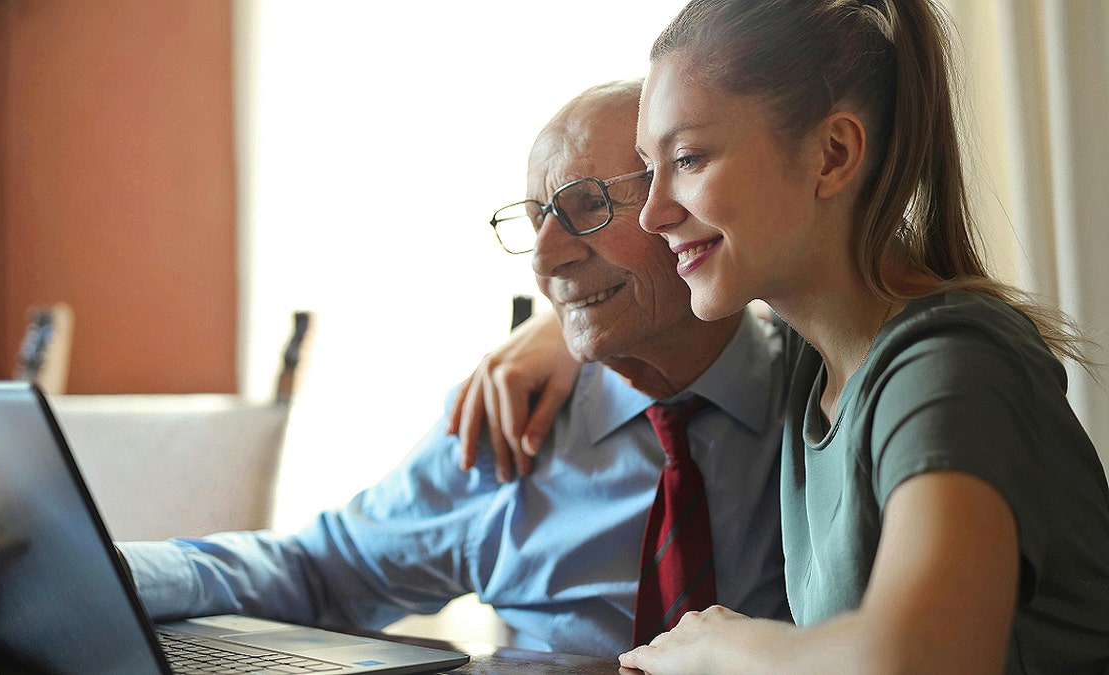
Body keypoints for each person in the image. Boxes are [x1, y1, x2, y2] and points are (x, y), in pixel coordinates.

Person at [0, 79, 790, 660]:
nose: (547, 257)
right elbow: (317, 571)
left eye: (589, 205)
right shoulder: (506, 423)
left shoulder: (829, 390)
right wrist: (85, 573)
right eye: (536, 217)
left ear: (687, 204)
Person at [454, 1, 1109, 673]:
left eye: (688, 159)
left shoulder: (952, 368)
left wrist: (718, 647)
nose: (654, 213)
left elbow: (923, 657)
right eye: (650, 172)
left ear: (832, 155)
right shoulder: (817, 358)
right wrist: (567, 329)